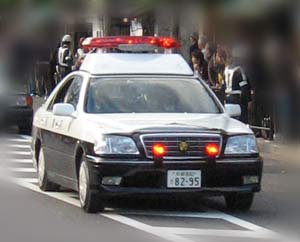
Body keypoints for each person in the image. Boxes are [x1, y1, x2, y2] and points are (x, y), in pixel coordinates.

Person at [224, 47, 252, 123]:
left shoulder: (226, 69)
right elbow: (244, 88)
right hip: (237, 99)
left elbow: (223, 86)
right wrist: (248, 100)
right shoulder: (239, 70)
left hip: (227, 98)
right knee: (241, 121)